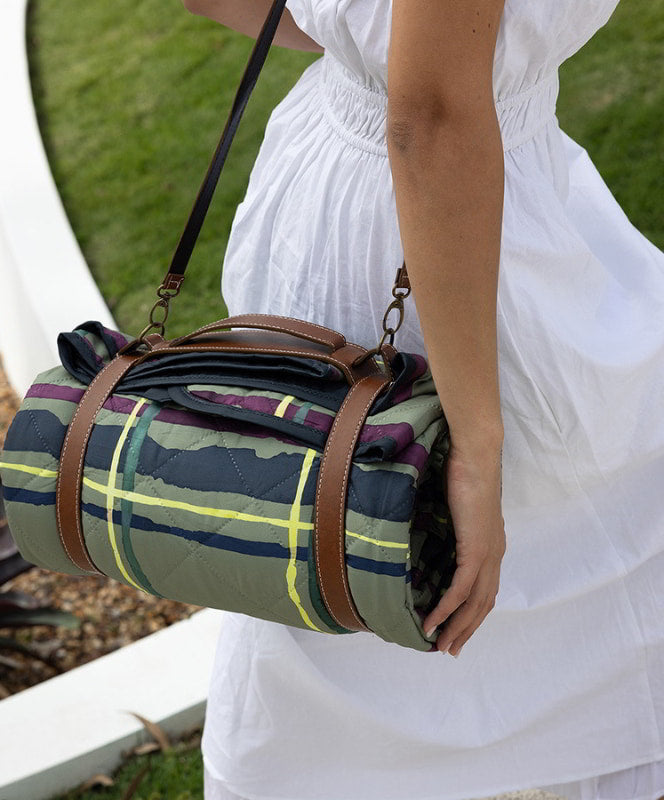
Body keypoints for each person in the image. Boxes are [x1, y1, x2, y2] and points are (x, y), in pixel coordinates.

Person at [181, 1, 664, 798]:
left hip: (348, 182)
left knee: (334, 564)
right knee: (381, 544)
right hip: (445, 215)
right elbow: (435, 113)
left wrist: (367, 36)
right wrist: (475, 445)